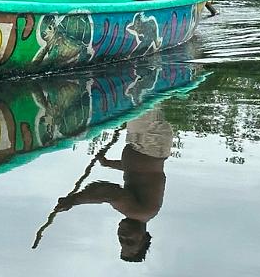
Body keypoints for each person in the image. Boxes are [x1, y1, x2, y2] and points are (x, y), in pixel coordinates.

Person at [54, 108, 173, 262]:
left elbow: (137, 170)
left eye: (121, 241)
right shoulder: (138, 212)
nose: (123, 236)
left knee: (140, 99)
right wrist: (74, 200)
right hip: (149, 141)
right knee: (141, 96)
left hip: (148, 143)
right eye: (130, 241)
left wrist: (109, 163)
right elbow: (110, 192)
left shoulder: (140, 209)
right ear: (144, 238)